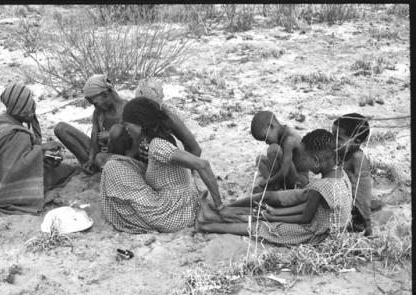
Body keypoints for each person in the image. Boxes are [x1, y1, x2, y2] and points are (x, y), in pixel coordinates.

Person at [196, 129, 353, 246]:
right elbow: (309, 206)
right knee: (267, 204)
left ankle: (207, 225)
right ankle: (222, 213)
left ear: (317, 161)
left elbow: (305, 218)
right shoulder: (341, 174)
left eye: (305, 158)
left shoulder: (321, 186)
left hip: (315, 234)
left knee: (262, 228)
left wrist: (273, 217)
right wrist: (275, 212)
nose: (303, 162)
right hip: (323, 223)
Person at [100, 97, 222, 234]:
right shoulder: (159, 137)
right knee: (118, 164)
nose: (126, 129)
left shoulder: (158, 145)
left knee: (111, 167)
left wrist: (219, 206)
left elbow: (203, 165)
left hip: (174, 213)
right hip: (182, 204)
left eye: (128, 125)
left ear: (140, 124)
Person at [0, 83, 76, 214]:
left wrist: (40, 152)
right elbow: (18, 168)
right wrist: (41, 152)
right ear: (21, 109)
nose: (32, 111)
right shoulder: (18, 134)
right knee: (66, 170)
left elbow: (8, 158)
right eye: (29, 108)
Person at [54, 74, 127, 174]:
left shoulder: (127, 108)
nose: (95, 107)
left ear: (106, 94)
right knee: (60, 128)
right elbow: (94, 136)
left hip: (121, 157)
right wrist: (91, 159)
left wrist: (112, 135)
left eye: (95, 103)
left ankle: (102, 166)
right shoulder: (98, 112)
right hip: (101, 154)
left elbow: (135, 138)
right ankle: (92, 165)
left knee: (102, 154)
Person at [332, 113, 373, 236]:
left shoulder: (357, 158)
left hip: (354, 212)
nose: (333, 141)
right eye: (332, 136)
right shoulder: (341, 152)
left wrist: (367, 223)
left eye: (339, 138)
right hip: (341, 200)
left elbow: (363, 195)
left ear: (357, 141)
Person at [251, 110, 309, 192]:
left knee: (273, 149)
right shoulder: (279, 134)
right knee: (260, 159)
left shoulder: (290, 139)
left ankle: (272, 185)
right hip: (285, 175)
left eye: (266, 138)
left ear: (271, 126)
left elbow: (284, 172)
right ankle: (274, 185)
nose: (266, 142)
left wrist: (267, 182)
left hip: (298, 179)